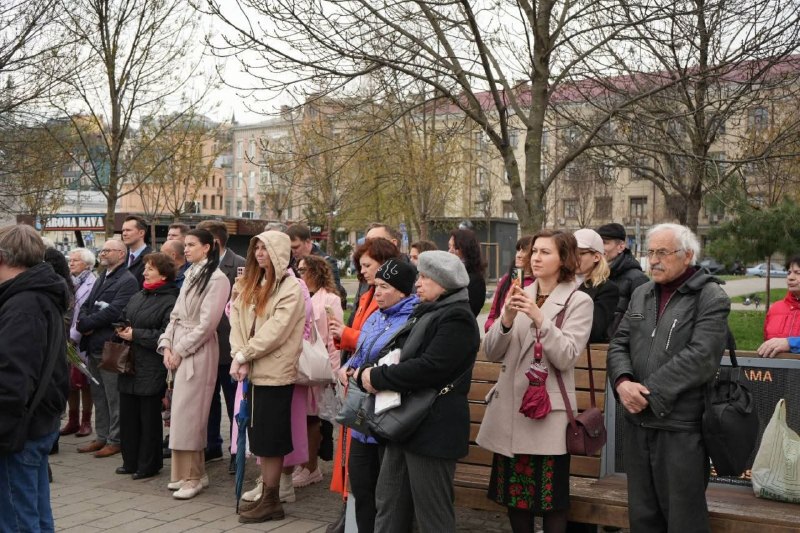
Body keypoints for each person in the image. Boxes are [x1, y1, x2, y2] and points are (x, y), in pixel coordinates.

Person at [607, 223, 730, 532]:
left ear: (687, 255)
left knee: (683, 520)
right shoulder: (642, 293)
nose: (654, 260)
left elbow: (701, 357)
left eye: (663, 252)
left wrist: (646, 394)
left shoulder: (710, 295)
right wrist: (623, 382)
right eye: (650, 252)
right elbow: (619, 344)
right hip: (638, 425)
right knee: (643, 518)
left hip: (680, 428)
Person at [477, 230, 593, 533]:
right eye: (534, 251)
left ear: (564, 259)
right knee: (515, 499)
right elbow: (491, 352)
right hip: (510, 414)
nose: (536, 257)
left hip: (545, 417)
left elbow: (567, 356)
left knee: (550, 500)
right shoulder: (520, 292)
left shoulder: (578, 300)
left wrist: (541, 318)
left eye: (545, 252)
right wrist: (505, 320)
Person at [360, 250, 480, 533]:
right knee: (390, 504)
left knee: (432, 515)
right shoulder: (430, 311)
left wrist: (379, 376)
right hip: (407, 424)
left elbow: (429, 367)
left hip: (433, 428)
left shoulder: (457, 318)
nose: (418, 283)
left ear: (443, 282)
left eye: (425, 277)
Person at [229, 230, 307, 523]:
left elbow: (277, 330)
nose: (260, 253)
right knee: (258, 435)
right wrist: (239, 353)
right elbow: (236, 318)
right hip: (253, 370)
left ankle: (272, 499)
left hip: (275, 374)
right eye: (256, 248)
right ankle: (267, 496)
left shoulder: (290, 288)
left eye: (265, 248)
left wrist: (244, 355)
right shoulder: (251, 282)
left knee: (271, 438)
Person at [339, 258, 418, 532]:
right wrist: (349, 367)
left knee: (388, 498)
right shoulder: (376, 316)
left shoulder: (412, 320)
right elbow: (360, 352)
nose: (377, 293)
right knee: (361, 489)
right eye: (377, 286)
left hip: (389, 419)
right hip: (362, 420)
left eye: (384, 287)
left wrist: (365, 371)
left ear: (403, 291)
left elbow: (398, 363)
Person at [0, 225, 70, 531]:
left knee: (17, 518)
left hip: (18, 430)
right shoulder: (35, 295)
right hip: (35, 422)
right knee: (35, 514)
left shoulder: (23, 304)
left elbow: (13, 377)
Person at [327, 238, 401, 508]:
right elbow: (366, 336)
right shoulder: (368, 293)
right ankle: (350, 514)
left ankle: (354, 514)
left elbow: (380, 342)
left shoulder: (387, 299)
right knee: (357, 470)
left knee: (370, 475)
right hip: (358, 389)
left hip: (372, 395)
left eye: (368, 265)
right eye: (360, 265)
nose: (363, 271)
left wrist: (346, 335)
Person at [158, 229, 230, 499]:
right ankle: (185, 472)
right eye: (185, 245)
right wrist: (167, 344)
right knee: (180, 413)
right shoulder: (190, 273)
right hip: (180, 347)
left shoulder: (217, 278)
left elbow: (207, 324)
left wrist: (180, 349)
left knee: (192, 414)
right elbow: (175, 315)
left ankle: (194, 476)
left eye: (191, 245)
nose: (185, 249)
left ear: (207, 247)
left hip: (198, 351)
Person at [115, 253, 179, 480]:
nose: (144, 272)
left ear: (163, 273)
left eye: (149, 269)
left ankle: (149, 464)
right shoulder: (139, 295)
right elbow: (125, 315)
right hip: (130, 364)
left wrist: (137, 335)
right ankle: (130, 461)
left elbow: (167, 335)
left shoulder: (171, 299)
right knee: (129, 416)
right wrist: (121, 328)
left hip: (152, 365)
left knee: (149, 418)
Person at [76, 238, 139, 458]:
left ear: (121, 254)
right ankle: (102, 435)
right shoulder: (102, 276)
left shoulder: (127, 280)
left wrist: (88, 324)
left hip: (109, 345)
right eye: (102, 250)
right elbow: (85, 305)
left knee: (113, 395)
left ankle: (116, 439)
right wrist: (82, 322)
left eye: (108, 250)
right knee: (98, 393)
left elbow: (115, 311)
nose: (102, 253)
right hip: (93, 345)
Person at [196, 220, 246, 472]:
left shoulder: (240, 265)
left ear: (213, 242)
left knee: (233, 403)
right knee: (208, 401)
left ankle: (237, 452)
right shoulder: (199, 267)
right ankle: (211, 445)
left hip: (229, 349)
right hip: (204, 347)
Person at [292, 255, 343, 487]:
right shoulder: (297, 295)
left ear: (316, 271)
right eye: (298, 269)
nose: (300, 273)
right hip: (297, 364)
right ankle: (301, 464)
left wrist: (333, 369)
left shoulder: (330, 299)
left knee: (312, 419)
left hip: (317, 365)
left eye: (304, 270)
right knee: (299, 418)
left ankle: (311, 467)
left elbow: (334, 337)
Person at [62, 247, 97, 437]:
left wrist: (74, 337)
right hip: (65, 336)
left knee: (83, 381)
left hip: (81, 338)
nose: (71, 263)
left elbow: (86, 312)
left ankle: (86, 421)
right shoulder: (70, 282)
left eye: (76, 260)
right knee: (69, 382)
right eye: (71, 260)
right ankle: (72, 420)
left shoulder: (93, 283)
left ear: (88, 264)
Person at [596, 223, 648, 333]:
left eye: (605, 243)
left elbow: (642, 321)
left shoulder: (637, 279)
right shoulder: (594, 275)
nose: (599, 248)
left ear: (621, 246)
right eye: (598, 243)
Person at [574, 228, 620, 343]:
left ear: (596, 257)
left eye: (581, 253)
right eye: (571, 252)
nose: (574, 258)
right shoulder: (560, 282)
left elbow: (594, 330)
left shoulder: (607, 289)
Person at [287, 224, 347, 308]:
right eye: (290, 248)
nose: (293, 251)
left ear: (308, 242)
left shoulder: (326, 262)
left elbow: (333, 291)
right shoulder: (290, 262)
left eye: (296, 247)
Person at [485, 236, 534, 332]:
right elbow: (493, 314)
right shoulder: (508, 278)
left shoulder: (537, 282)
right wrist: (491, 327)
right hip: (500, 333)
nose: (518, 255)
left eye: (524, 251)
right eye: (518, 250)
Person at [758, 255, 800, 357]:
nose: (790, 277)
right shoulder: (775, 309)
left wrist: (791, 343)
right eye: (789, 273)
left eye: (797, 273)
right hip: (776, 372)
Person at [448, 228, 487, 316]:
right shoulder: (449, 273)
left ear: (466, 249)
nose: (450, 251)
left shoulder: (475, 280)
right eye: (449, 247)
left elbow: (469, 311)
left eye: (455, 247)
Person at [122, 215, 153, 287]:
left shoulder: (152, 258)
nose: (124, 234)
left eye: (128, 230)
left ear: (141, 233)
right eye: (123, 230)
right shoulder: (121, 257)